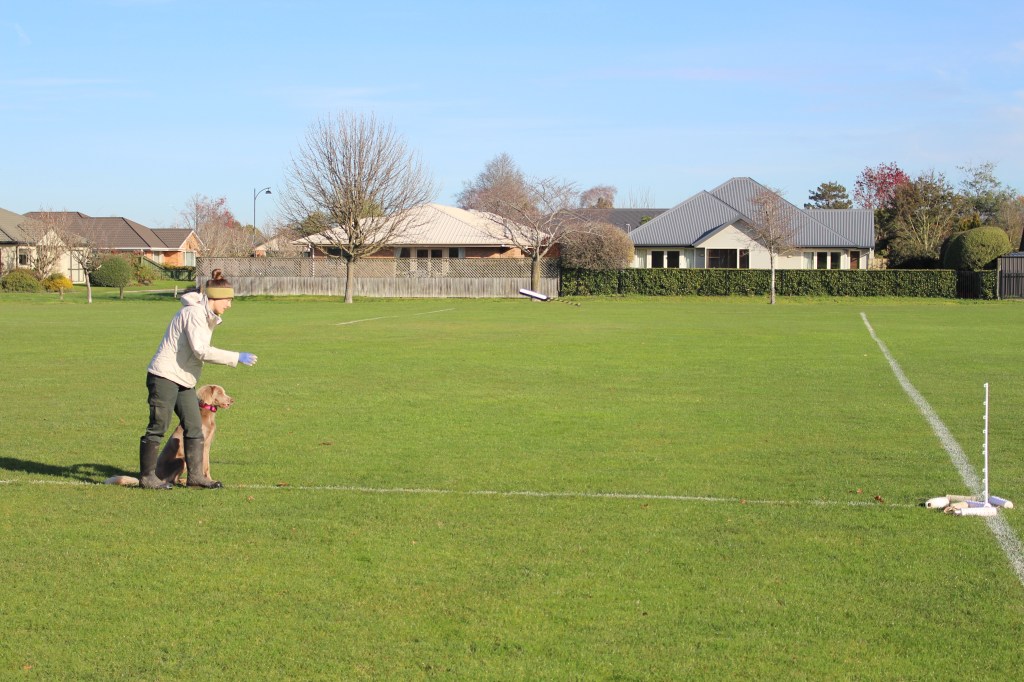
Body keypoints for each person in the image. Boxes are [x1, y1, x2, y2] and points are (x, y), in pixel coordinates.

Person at [139, 269, 257, 489]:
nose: (229, 305)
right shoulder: (194, 314)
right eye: (228, 300)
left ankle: (196, 477)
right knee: (159, 425)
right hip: (164, 376)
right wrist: (235, 357)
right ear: (215, 298)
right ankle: (147, 477)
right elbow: (200, 350)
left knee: (194, 426)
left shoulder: (205, 316)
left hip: (184, 380)